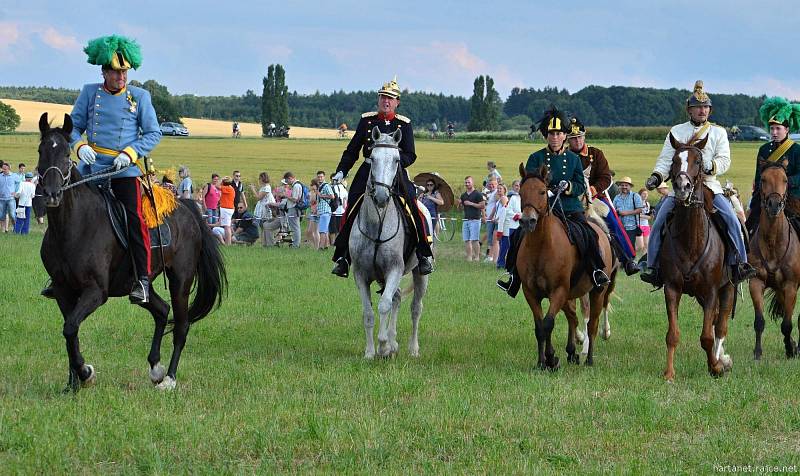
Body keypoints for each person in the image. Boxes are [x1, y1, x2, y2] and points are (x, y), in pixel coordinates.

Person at [44, 35, 161, 303]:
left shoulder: (140, 97)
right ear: (104, 72)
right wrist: (79, 145)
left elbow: (153, 133)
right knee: (66, 216)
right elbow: (70, 127)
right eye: (116, 72)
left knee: (134, 219)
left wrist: (130, 153)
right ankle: (59, 274)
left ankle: (142, 279)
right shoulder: (89, 93)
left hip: (123, 170)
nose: (121, 77)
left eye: (124, 71)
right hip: (90, 169)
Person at [641, 80, 756, 286]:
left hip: (709, 185)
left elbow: (724, 160)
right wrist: (656, 176)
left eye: (705, 107)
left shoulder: (718, 132)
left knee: (731, 218)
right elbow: (666, 160)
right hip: (680, 188)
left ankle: (739, 264)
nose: (702, 110)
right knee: (659, 219)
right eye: (698, 107)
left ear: (709, 110)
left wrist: (708, 167)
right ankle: (653, 266)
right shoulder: (676, 131)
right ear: (689, 110)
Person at [498, 106, 610, 297]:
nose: (555, 137)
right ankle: (513, 277)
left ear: (565, 136)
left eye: (558, 133)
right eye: (551, 133)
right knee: (517, 236)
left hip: (569, 208)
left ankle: (596, 271)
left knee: (589, 235)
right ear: (546, 136)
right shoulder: (535, 158)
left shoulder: (573, 159)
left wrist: (568, 188)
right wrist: (546, 191)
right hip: (542, 209)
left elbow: (580, 185)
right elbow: (531, 182)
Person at [330, 76, 433, 277]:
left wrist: (392, 160)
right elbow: (352, 150)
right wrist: (342, 170)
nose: (386, 101)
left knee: (412, 204)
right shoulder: (367, 120)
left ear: (397, 102)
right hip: (368, 170)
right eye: (383, 97)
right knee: (351, 206)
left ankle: (423, 254)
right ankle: (343, 256)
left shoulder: (404, 124)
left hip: (395, 172)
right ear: (378, 99)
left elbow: (411, 154)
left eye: (390, 98)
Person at [567, 116, 638, 275]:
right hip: (570, 199)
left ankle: (627, 259)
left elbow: (605, 177)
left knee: (612, 220)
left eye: (579, 137)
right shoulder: (564, 156)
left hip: (594, 198)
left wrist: (592, 190)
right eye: (573, 138)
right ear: (568, 140)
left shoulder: (596, 153)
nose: (577, 141)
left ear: (584, 136)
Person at [744, 96, 800, 237]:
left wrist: (785, 183)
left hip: (792, 196)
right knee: (748, 226)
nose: (774, 132)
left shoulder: (796, 150)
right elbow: (758, 177)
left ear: (787, 129)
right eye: (772, 128)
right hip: (765, 196)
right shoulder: (763, 149)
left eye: (778, 129)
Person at [612, 177, 643, 252]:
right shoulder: (617, 197)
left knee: (630, 248)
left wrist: (626, 213)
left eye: (626, 185)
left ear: (630, 186)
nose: (624, 187)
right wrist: (617, 212)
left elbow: (639, 209)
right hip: (619, 227)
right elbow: (613, 210)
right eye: (622, 185)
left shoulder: (635, 196)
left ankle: (631, 263)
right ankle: (622, 263)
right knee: (620, 247)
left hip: (631, 227)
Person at [251, 172, 282, 247]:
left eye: (260, 178)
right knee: (263, 227)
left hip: (265, 210)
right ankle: (264, 243)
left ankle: (267, 242)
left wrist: (253, 189)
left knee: (265, 226)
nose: (259, 180)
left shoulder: (267, 187)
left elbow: (258, 197)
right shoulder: (263, 187)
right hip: (261, 208)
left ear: (263, 178)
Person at [459, 176, 485, 261]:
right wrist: (459, 205)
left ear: (472, 183)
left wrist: (471, 203)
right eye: (466, 182)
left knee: (474, 239)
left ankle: (477, 257)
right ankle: (469, 257)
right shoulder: (463, 195)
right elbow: (461, 209)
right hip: (466, 219)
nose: (467, 184)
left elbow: (482, 205)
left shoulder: (477, 194)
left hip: (475, 219)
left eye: (468, 182)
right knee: (466, 239)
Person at [496, 179, 521, 268]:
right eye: (516, 185)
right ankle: (501, 263)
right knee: (505, 246)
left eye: (519, 185)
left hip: (520, 226)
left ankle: (514, 264)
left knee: (517, 246)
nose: (518, 187)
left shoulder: (524, 197)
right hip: (510, 226)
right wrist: (517, 216)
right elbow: (508, 211)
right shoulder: (513, 198)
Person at [490, 183, 509, 266]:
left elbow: (504, 209)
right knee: (496, 241)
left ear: (504, 190)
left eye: (500, 188)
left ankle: (496, 259)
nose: (499, 190)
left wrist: (497, 219)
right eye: (498, 189)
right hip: (497, 221)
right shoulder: (499, 199)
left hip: (499, 222)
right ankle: (496, 258)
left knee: (496, 241)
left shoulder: (504, 198)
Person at [283, 171, 303, 248]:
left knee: (295, 227)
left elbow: (295, 199)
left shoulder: (296, 186)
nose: (287, 183)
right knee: (295, 227)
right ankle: (295, 243)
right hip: (294, 208)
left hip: (294, 208)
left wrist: (286, 196)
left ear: (290, 178)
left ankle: (296, 245)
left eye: (287, 181)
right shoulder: (297, 185)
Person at [315, 171, 334, 250]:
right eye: (318, 177)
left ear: (324, 177)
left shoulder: (326, 186)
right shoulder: (320, 186)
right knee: (324, 230)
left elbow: (332, 196)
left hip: (325, 210)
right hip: (322, 210)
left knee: (322, 230)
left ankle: (321, 247)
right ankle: (326, 246)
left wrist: (321, 195)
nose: (320, 178)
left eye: (321, 177)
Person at [218, 176, 235, 245]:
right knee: (227, 226)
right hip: (228, 208)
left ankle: (228, 243)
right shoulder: (230, 188)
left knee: (227, 227)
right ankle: (228, 242)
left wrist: (221, 179)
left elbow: (217, 186)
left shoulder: (227, 188)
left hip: (226, 209)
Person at [0, 162, 16, 233]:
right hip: (1, 199)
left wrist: (16, 192)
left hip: (11, 199)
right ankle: (3, 230)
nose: (3, 170)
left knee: (12, 215)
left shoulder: (14, 176)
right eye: (2, 168)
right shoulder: (0, 176)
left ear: (9, 168)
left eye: (5, 169)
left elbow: (20, 183)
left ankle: (15, 228)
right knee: (1, 216)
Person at [637, 188, 651, 255]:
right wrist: (647, 217)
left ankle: (640, 260)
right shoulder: (637, 203)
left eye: (646, 194)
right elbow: (637, 215)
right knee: (640, 246)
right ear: (640, 195)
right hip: (639, 225)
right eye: (644, 194)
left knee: (647, 246)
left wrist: (645, 216)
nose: (645, 195)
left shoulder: (647, 204)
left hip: (646, 226)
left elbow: (649, 215)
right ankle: (630, 256)